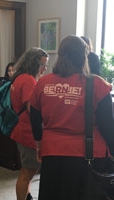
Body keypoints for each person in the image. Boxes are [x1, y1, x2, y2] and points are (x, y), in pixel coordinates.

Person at [29, 35, 114, 199]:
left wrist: (39, 144)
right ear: (84, 57)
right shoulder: (98, 84)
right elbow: (107, 126)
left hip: (52, 151)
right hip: (89, 155)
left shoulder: (43, 83)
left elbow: (34, 116)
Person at [10, 47, 49, 200]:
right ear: (34, 64)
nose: (45, 69)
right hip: (28, 133)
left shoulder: (19, 77)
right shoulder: (29, 80)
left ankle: (27, 196)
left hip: (21, 129)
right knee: (27, 173)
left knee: (27, 172)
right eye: (43, 65)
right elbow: (32, 110)